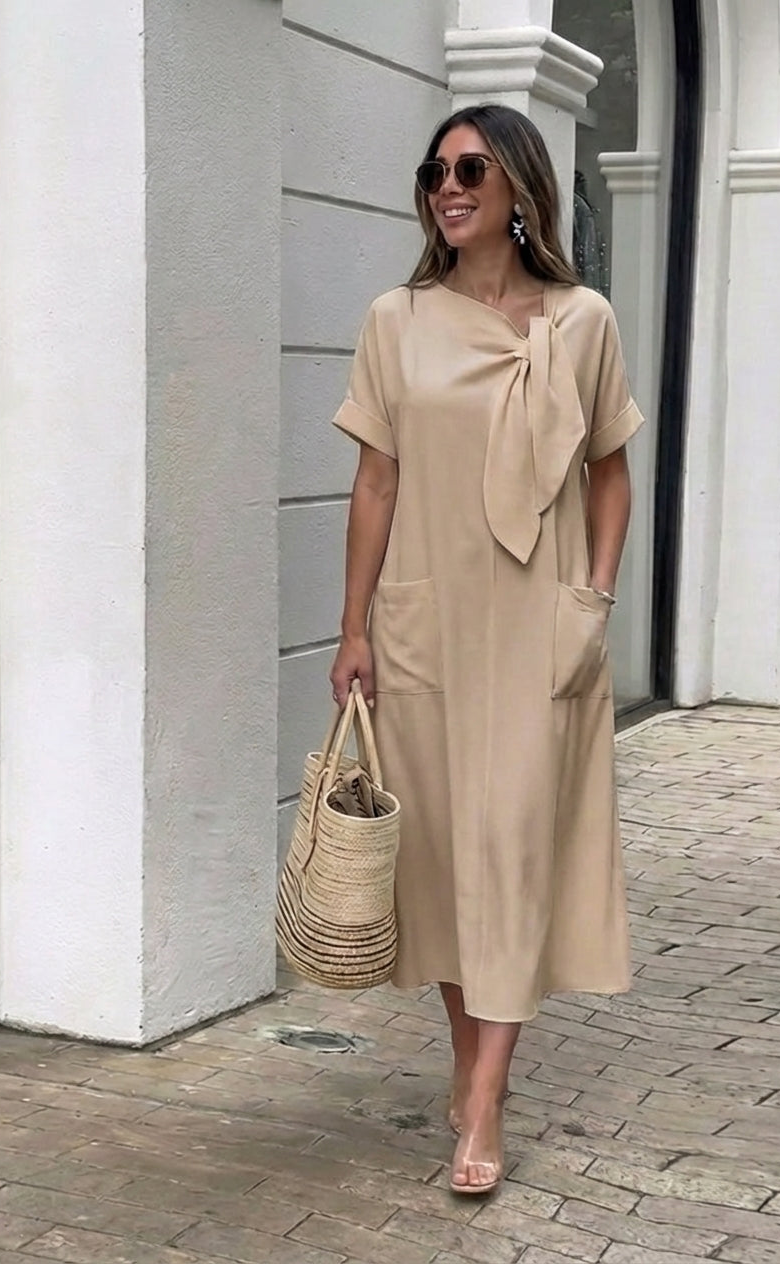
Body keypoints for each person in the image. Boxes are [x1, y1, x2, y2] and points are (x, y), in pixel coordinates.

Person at [329, 103, 642, 1195]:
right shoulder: (396, 319)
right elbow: (375, 482)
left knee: (512, 846)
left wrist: (593, 597)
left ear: (519, 186)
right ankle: (469, 1071)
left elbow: (610, 474)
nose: (448, 189)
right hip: (425, 619)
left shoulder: (584, 320)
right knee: (446, 859)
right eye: (434, 173)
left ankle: (487, 1097)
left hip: (539, 623)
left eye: (468, 169)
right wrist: (353, 626)